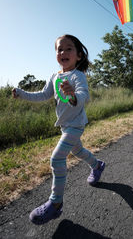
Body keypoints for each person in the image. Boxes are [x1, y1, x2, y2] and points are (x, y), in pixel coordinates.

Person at [12, 34, 105, 225]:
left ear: (78, 55)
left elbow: (84, 97)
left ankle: (55, 204)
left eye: (68, 48)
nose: (63, 52)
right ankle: (97, 165)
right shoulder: (54, 76)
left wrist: (72, 95)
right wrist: (21, 93)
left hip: (76, 125)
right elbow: (42, 95)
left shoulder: (78, 76)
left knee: (57, 158)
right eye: (59, 49)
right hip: (65, 126)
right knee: (78, 151)